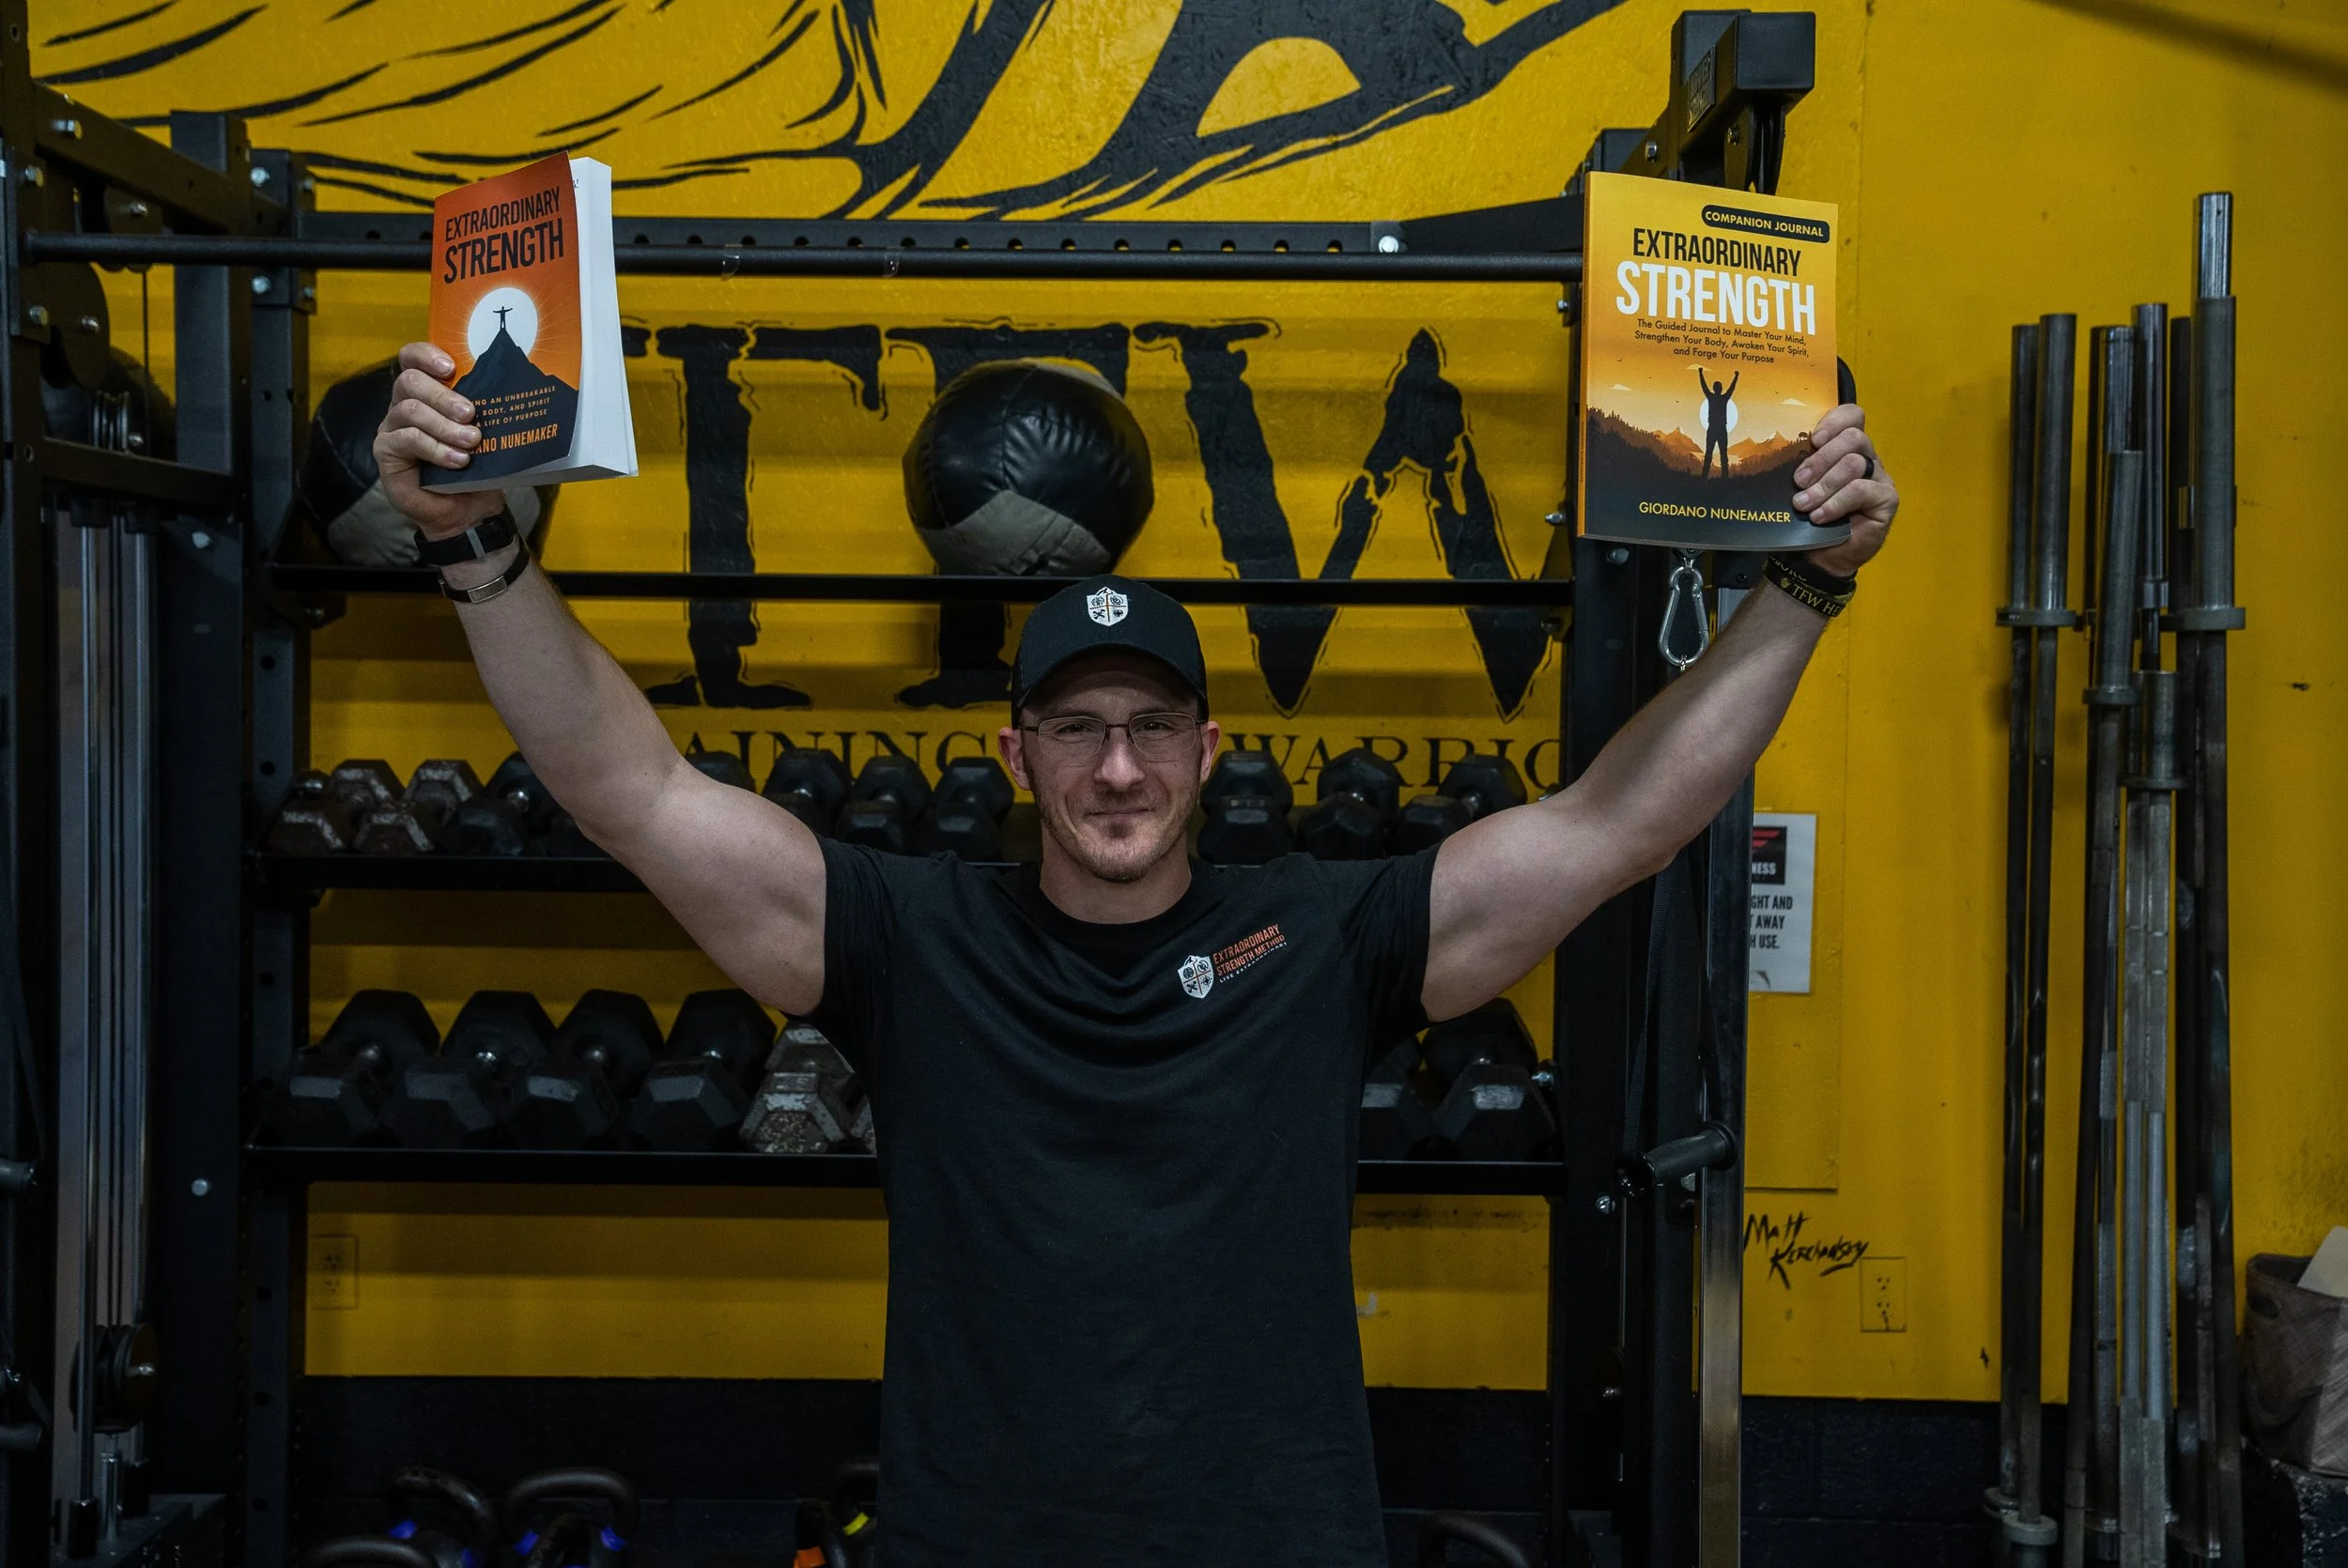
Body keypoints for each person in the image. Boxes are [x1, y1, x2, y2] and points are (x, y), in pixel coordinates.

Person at [375, 341, 1900, 1568]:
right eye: (1079, 731)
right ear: (1017, 754)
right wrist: (479, 549)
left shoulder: (1326, 937)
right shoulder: (908, 941)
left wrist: (1808, 586)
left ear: (1209, 748)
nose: (1118, 770)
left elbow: (1619, 822)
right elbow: (631, 791)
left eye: (1152, 728)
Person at [1696, 366, 1740, 478]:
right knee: (1721, 455)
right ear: (1720, 389)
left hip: (1714, 428)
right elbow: (1731, 389)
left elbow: (1704, 387)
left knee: (1710, 454)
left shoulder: (1712, 397)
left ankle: (1705, 476)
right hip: (1720, 429)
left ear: (1715, 388)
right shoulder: (1723, 398)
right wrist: (1736, 377)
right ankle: (1722, 477)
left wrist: (1700, 373)